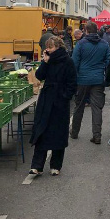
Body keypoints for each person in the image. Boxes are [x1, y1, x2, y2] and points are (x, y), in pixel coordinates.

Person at [29, 36, 77, 176]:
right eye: (47, 47)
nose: (47, 50)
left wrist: (64, 96)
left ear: (57, 47)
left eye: (50, 47)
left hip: (60, 102)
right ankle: (36, 166)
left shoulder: (68, 61)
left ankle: (56, 165)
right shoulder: (48, 61)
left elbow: (72, 83)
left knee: (58, 134)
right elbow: (39, 75)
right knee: (41, 131)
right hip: (46, 100)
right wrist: (45, 62)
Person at [70, 21, 110, 144]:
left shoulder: (81, 44)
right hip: (98, 79)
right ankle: (97, 135)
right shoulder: (104, 44)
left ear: (86, 31)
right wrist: (102, 70)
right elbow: (109, 61)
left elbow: (74, 62)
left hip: (82, 79)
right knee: (97, 108)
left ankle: (74, 132)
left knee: (79, 106)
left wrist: (75, 78)